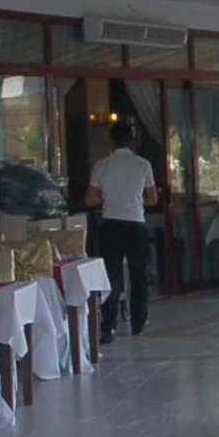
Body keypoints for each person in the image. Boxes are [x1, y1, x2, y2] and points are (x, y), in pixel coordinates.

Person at [85, 121, 157, 343]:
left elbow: (90, 199)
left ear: (112, 141)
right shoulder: (143, 165)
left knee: (111, 277)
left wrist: (107, 198)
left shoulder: (102, 165)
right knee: (138, 276)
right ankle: (138, 322)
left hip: (110, 226)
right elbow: (152, 199)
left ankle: (108, 326)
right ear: (132, 141)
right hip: (135, 225)